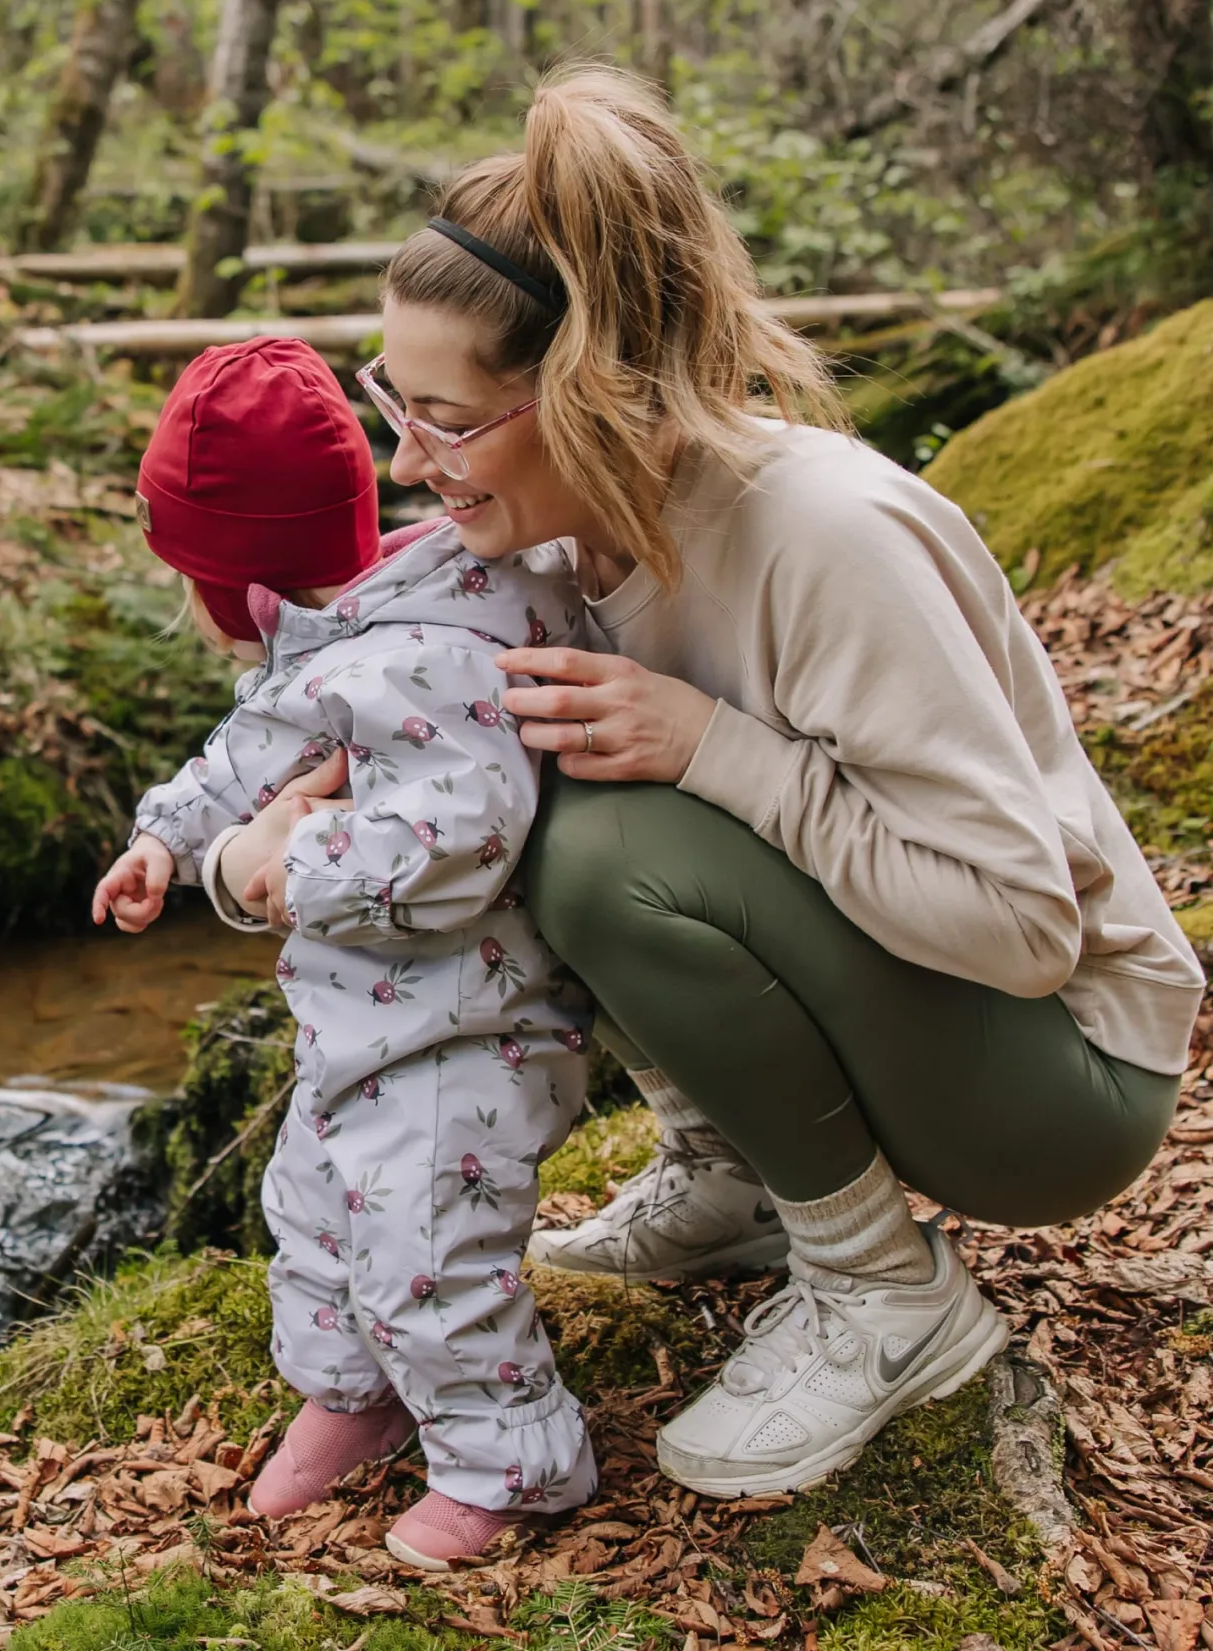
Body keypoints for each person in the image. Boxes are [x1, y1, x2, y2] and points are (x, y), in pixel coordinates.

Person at [222, 67, 1204, 1500]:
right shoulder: (553, 538)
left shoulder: (823, 534)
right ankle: (738, 1177)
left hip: (1063, 1077)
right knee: (535, 792)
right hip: (921, 1015)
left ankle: (886, 1296)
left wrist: (713, 748)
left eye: (442, 417)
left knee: (603, 845)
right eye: (393, 398)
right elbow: (419, 710)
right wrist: (296, 798)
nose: (403, 456)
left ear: (581, 390)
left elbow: (1024, 926)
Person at [91, 336, 599, 1570]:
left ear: (232, 575)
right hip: (370, 1024)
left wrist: (286, 870)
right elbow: (251, 748)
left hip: (470, 1029)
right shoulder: (343, 621)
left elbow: (461, 834)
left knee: (428, 1244)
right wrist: (167, 832)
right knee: (311, 1209)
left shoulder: (424, 651)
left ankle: (510, 1462)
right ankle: (357, 1394)